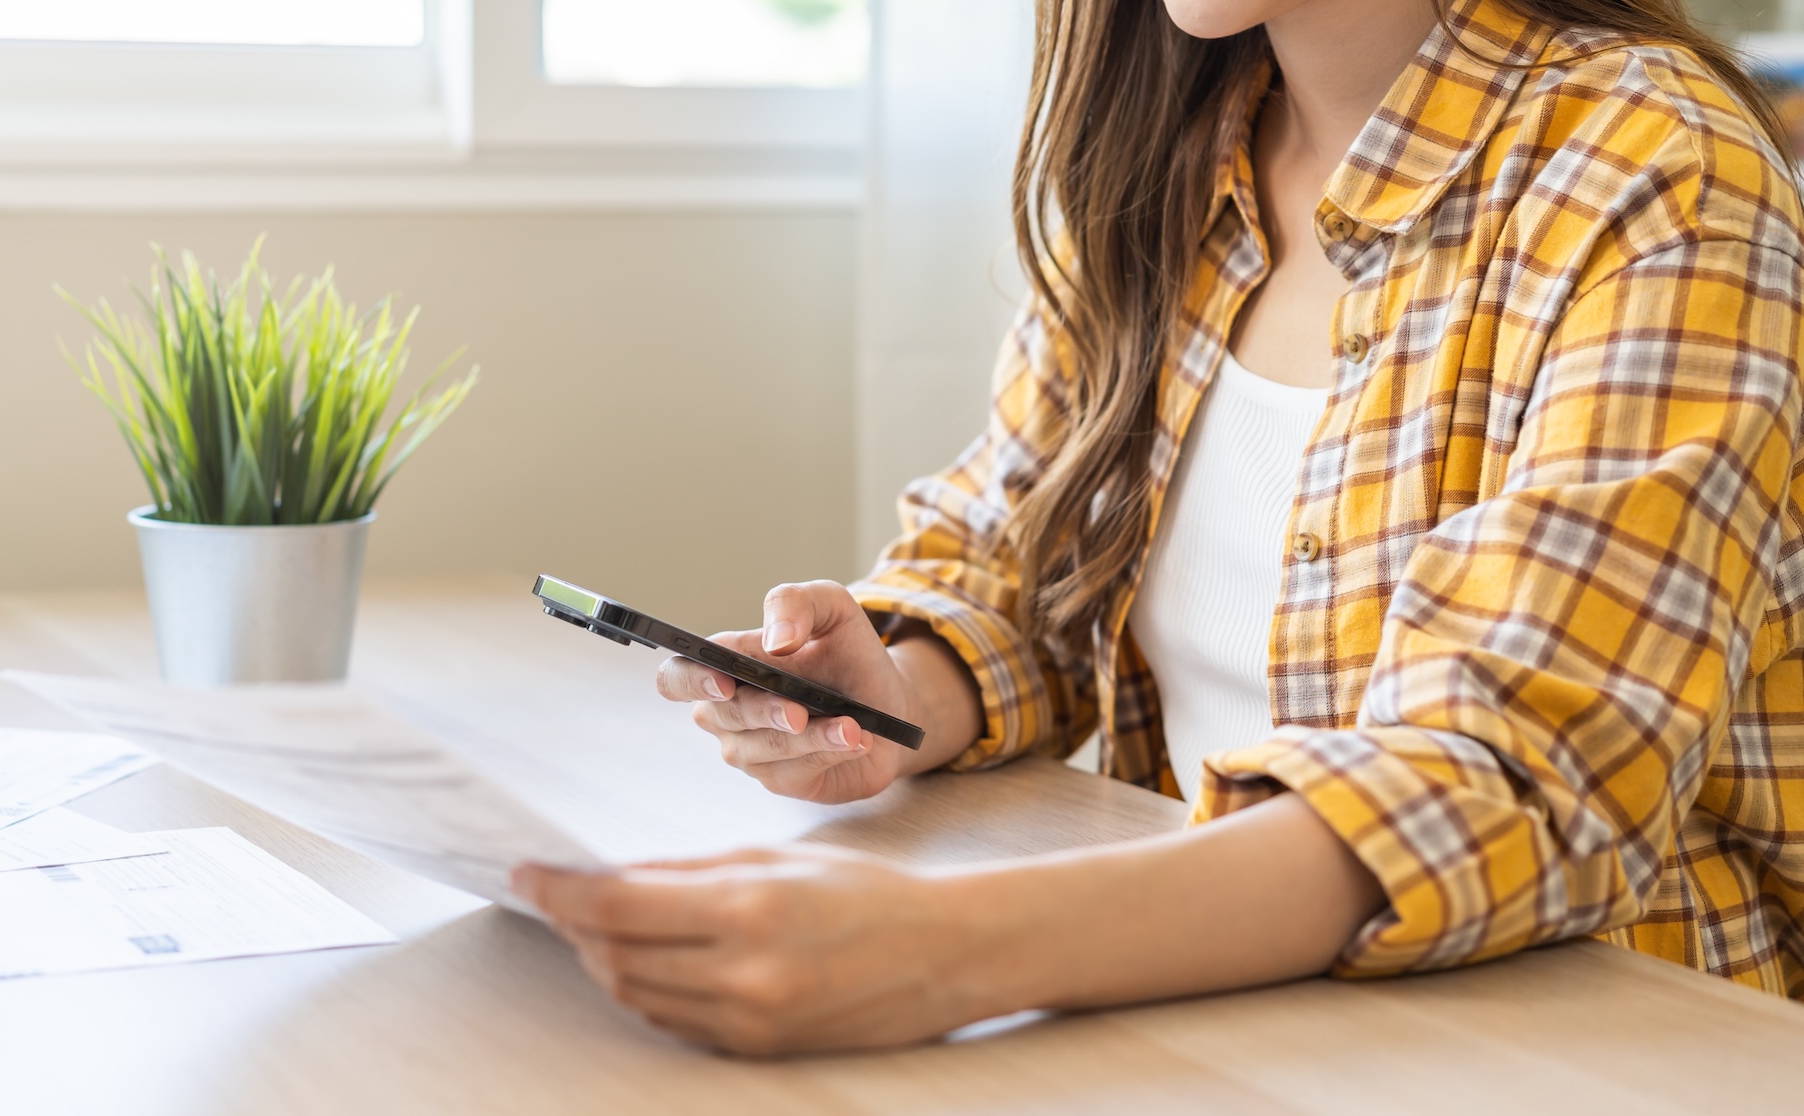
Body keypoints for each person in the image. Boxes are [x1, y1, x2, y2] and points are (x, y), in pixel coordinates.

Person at [513, 0, 1804, 1054]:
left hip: (1598, 1038)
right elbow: (1019, 568)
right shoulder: (1179, 152)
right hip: (1237, 1011)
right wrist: (898, 688)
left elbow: (1520, 770)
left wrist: (945, 946)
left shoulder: (1660, 165)